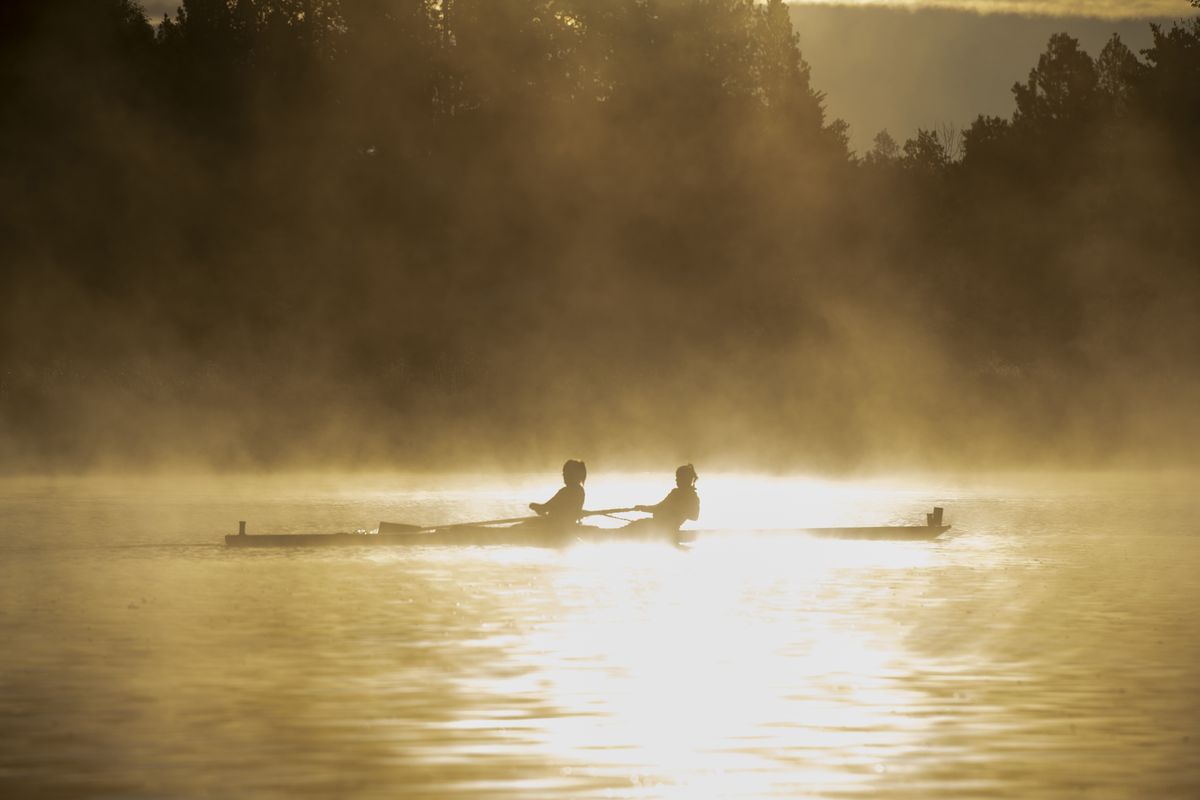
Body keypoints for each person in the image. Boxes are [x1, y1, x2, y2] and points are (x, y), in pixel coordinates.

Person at [630, 464, 700, 532]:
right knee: (638, 523)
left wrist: (676, 508)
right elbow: (658, 507)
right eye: (676, 477)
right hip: (656, 524)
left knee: (638, 525)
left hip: (667, 529)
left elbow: (694, 516)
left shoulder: (693, 497)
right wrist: (642, 508)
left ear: (685, 479)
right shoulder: (675, 493)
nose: (676, 480)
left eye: (678, 477)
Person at [528, 459, 586, 525]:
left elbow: (544, 508)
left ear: (575, 475)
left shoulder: (565, 492)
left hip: (556, 526)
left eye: (566, 473)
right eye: (563, 473)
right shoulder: (580, 491)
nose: (563, 475)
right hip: (568, 525)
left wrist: (533, 506)